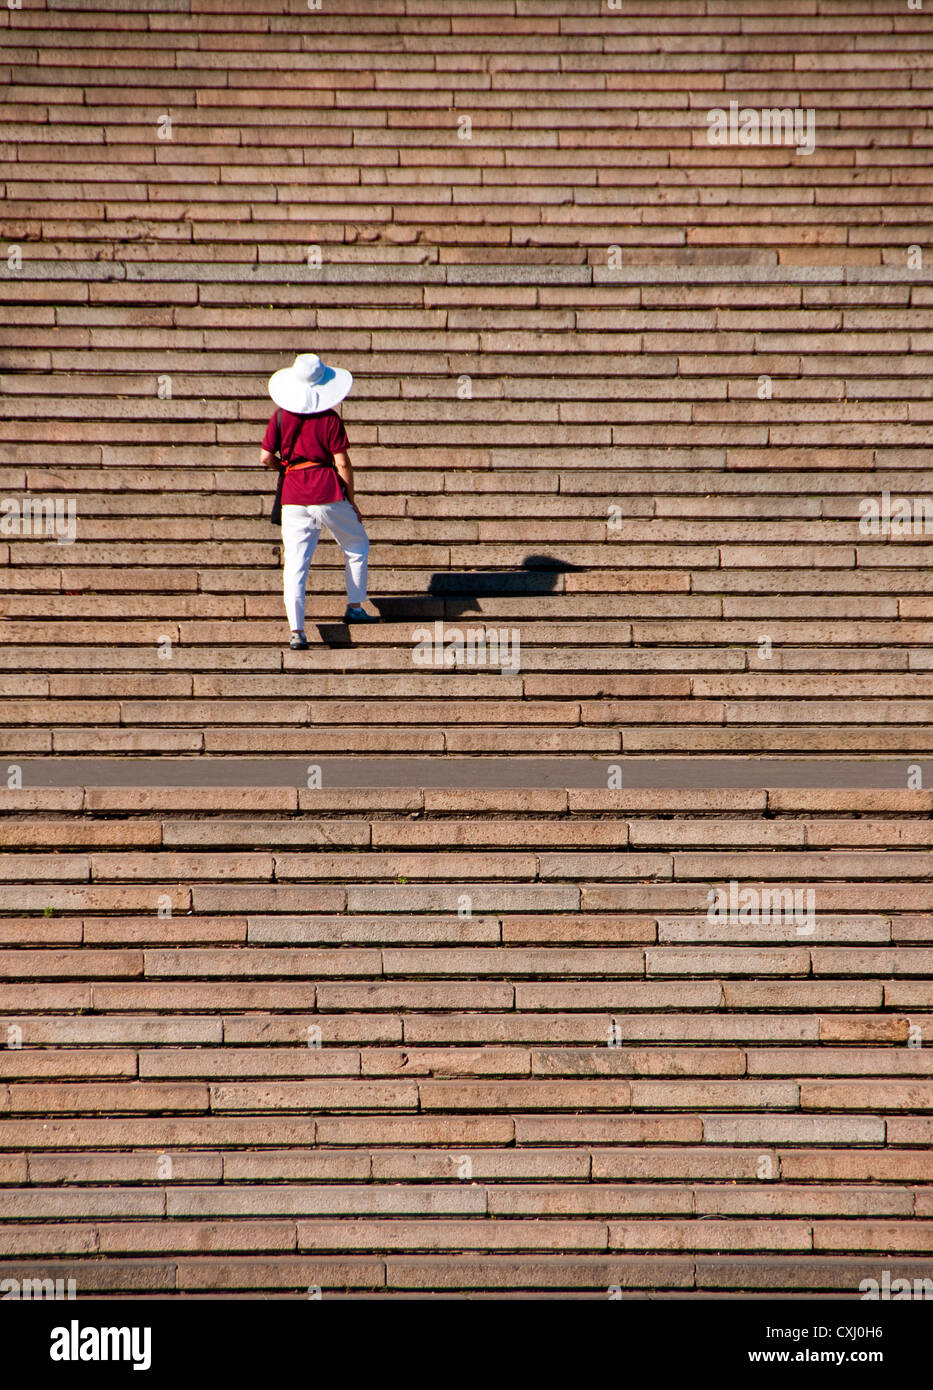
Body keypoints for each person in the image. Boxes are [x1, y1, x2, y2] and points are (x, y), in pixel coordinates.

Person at [260, 353, 378, 649]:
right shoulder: (329, 419)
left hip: (293, 495)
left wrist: (284, 468)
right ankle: (354, 608)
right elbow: (342, 464)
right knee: (356, 544)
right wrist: (351, 500)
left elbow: (264, 457)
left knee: (296, 565)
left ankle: (297, 631)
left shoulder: (280, 415)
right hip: (327, 491)